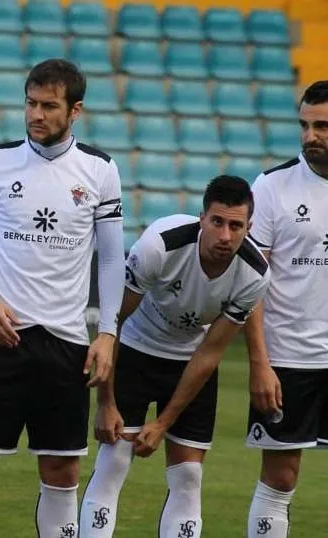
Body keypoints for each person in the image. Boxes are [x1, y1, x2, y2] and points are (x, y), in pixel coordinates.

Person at [0, 59, 125, 538]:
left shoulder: (100, 170)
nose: (36, 114)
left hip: (66, 344)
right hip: (3, 343)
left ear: (75, 110)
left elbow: (110, 262)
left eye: (49, 106)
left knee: (63, 474)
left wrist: (106, 333)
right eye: (31, 103)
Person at [79, 175, 270, 538]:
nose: (225, 236)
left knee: (188, 476)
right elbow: (112, 323)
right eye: (217, 222)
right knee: (114, 462)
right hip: (134, 350)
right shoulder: (159, 245)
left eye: (236, 226)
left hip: (189, 362)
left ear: (249, 227)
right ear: (202, 218)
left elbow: (209, 353)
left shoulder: (255, 274)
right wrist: (105, 402)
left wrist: (163, 423)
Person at [243, 80, 328, 538]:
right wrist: (260, 362)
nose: (309, 136)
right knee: (280, 478)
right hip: (289, 358)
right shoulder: (273, 187)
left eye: (322, 127)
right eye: (305, 125)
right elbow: (251, 283)